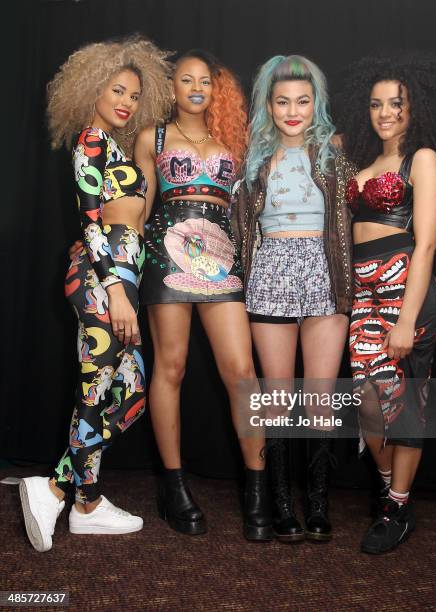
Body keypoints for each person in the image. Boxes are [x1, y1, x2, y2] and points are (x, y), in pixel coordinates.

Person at [19, 37, 173, 552]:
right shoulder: (90, 139)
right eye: (117, 90)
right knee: (97, 389)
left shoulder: (116, 148)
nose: (126, 101)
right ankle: (66, 492)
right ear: (92, 89)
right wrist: (115, 289)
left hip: (122, 277)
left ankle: (77, 496)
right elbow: (90, 223)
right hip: (99, 275)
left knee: (127, 395)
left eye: (134, 94)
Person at [134, 49, 272, 541]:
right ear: (170, 88)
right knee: (170, 367)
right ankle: (175, 488)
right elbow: (141, 203)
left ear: (217, 89)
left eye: (205, 81)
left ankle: (258, 490)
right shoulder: (154, 137)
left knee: (242, 371)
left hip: (221, 255)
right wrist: (103, 243)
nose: (196, 87)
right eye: (186, 79)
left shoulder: (232, 138)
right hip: (167, 254)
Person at [338, 53, 436, 553]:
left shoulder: (422, 158)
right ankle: (391, 488)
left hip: (407, 292)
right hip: (365, 295)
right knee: (369, 401)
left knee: (408, 403)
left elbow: (427, 243)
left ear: (415, 107)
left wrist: (407, 318)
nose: (385, 112)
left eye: (396, 103)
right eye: (376, 104)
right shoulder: (364, 162)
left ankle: (398, 506)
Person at [232, 55, 357, 543]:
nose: (292, 110)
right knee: (277, 398)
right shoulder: (254, 157)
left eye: (302, 101)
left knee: (321, 397)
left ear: (316, 103)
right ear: (268, 103)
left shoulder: (335, 153)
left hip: (325, 273)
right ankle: (282, 505)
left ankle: (319, 504)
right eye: (282, 100)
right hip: (270, 270)